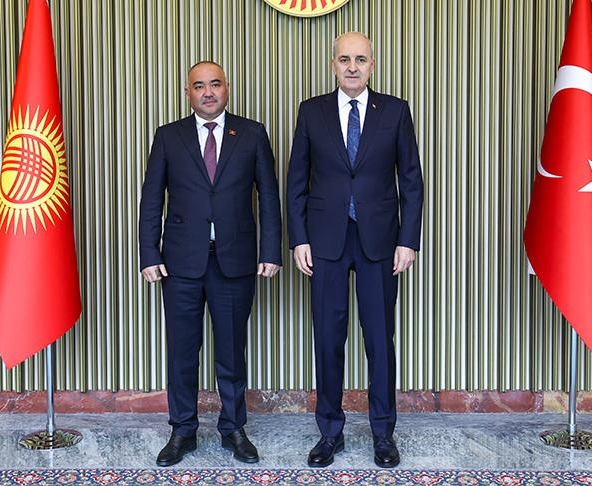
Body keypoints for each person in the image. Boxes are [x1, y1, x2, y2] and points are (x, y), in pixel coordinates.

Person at [286, 32, 424, 469]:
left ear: (372, 65)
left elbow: (412, 181)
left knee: (379, 339)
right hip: (325, 240)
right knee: (329, 338)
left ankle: (383, 433)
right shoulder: (312, 111)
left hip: (379, 241)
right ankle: (330, 432)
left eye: (360, 59)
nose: (352, 66)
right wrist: (299, 238)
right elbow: (296, 181)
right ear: (333, 64)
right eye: (344, 59)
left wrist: (408, 240)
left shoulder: (395, 111)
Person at [138, 61, 282, 467]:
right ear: (188, 93)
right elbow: (152, 199)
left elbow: (269, 197)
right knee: (182, 352)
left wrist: (270, 251)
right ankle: (182, 430)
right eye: (199, 86)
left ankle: (233, 428)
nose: (208, 92)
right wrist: (149, 254)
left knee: (232, 352)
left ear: (227, 88)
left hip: (235, 262)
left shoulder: (251, 134)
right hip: (180, 263)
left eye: (215, 84)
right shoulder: (169, 136)